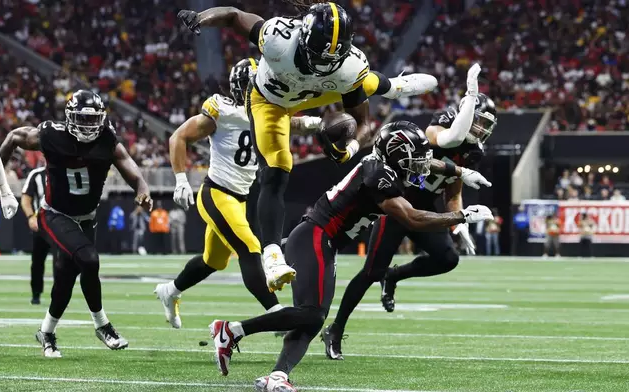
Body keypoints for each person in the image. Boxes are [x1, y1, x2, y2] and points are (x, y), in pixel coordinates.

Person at [207, 121, 494, 391]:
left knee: (312, 317)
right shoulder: (378, 174)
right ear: (396, 155)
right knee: (312, 313)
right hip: (315, 235)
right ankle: (232, 330)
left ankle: (277, 375)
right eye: (414, 157)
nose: (420, 164)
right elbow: (413, 218)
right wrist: (460, 216)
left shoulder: (385, 165)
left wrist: (459, 172)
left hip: (324, 240)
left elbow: (426, 162)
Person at [177, 2, 438, 291]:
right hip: (271, 101)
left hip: (314, 93)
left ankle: (395, 87)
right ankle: (273, 256)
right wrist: (200, 17)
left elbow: (362, 124)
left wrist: (349, 149)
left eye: (334, 56)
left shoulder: (349, 65)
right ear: (304, 37)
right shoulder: (279, 38)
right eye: (320, 52)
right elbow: (234, 15)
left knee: (370, 84)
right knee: (277, 167)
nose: (325, 61)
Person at [322, 79, 498, 358]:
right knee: (370, 272)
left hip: (425, 209)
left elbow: (453, 188)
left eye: (487, 125)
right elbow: (436, 152)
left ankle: (394, 276)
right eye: (479, 122)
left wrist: (458, 221)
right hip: (393, 204)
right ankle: (336, 328)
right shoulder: (444, 125)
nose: (482, 130)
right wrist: (459, 177)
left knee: (448, 259)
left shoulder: (473, 151)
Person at [155, 58, 321, 328]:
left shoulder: (266, 111)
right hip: (216, 193)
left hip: (239, 198)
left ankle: (170, 290)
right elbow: (178, 137)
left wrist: (317, 123)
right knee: (250, 248)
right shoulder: (223, 110)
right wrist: (181, 179)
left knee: (213, 261)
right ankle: (277, 313)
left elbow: (290, 124)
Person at [0, 90, 153, 358]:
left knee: (65, 278)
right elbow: (12, 137)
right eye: (82, 119)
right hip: (54, 215)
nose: (88, 126)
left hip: (87, 219)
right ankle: (103, 326)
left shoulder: (106, 138)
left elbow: (128, 164)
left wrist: (142, 188)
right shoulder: (52, 135)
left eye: (93, 120)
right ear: (70, 117)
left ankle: (46, 332)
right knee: (89, 260)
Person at [20, 165, 53, 304]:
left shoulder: (65, 170)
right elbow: (26, 198)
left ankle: (60, 296)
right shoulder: (36, 174)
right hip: (41, 224)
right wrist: (30, 217)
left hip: (62, 224)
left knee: (62, 263)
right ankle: (36, 294)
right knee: (38, 261)